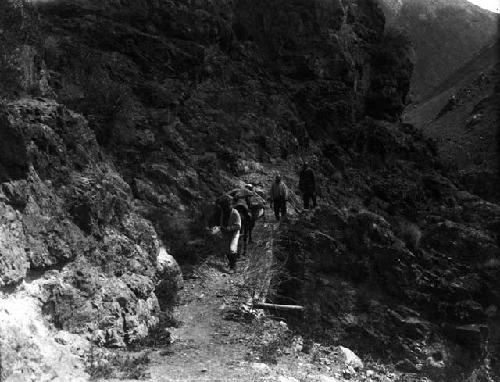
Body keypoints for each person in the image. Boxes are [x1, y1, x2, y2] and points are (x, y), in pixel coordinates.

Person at [219, 195, 241, 271]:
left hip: (234, 233)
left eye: (224, 207)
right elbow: (222, 221)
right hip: (225, 232)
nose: (223, 208)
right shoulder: (223, 212)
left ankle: (233, 267)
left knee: (232, 249)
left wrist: (228, 228)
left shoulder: (235, 213)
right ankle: (232, 262)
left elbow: (238, 226)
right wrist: (220, 227)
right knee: (226, 249)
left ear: (229, 205)